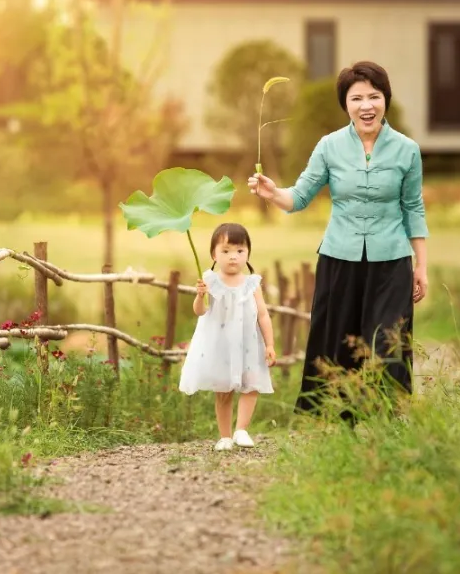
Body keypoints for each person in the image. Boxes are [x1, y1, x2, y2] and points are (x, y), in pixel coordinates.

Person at [247, 60, 429, 417]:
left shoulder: (407, 149)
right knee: (339, 339)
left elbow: (414, 208)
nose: (366, 106)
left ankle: (383, 419)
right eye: (356, 97)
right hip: (339, 258)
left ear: (385, 100)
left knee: (387, 342)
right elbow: (298, 197)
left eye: (374, 97)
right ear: (345, 104)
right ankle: (340, 422)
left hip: (391, 261)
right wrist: (271, 192)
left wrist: (421, 265)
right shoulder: (329, 146)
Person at [178, 222, 278, 451]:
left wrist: (269, 344)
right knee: (223, 390)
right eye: (226, 251)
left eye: (240, 251)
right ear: (214, 254)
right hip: (220, 346)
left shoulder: (252, 284)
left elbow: (263, 315)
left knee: (251, 385)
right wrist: (199, 296)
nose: (233, 257)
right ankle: (224, 436)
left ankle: (241, 430)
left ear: (248, 253)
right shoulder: (210, 281)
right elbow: (200, 311)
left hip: (248, 344)